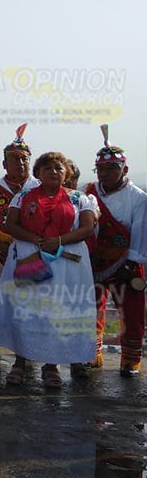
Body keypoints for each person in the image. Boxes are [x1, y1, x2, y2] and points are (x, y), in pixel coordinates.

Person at [0, 152, 97, 387]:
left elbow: (87, 227)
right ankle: (19, 363)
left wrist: (59, 240)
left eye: (58, 168)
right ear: (38, 173)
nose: (53, 172)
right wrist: (35, 239)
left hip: (67, 265)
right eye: (47, 168)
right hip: (30, 258)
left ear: (67, 173)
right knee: (27, 309)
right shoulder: (23, 196)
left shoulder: (79, 198)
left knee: (58, 312)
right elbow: (10, 224)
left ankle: (52, 365)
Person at [84, 126, 147, 377]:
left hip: (127, 260)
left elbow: (140, 230)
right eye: (100, 169)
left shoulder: (137, 197)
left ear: (125, 170)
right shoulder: (89, 191)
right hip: (94, 260)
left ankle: (130, 360)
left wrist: (131, 262)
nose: (105, 174)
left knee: (132, 312)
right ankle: (91, 354)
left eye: (111, 168)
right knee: (91, 308)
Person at [0, 127, 39, 360]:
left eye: (24, 159)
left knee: (29, 298)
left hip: (30, 252)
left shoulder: (38, 187)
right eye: (14, 159)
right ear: (4, 164)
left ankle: (28, 343)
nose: (20, 163)